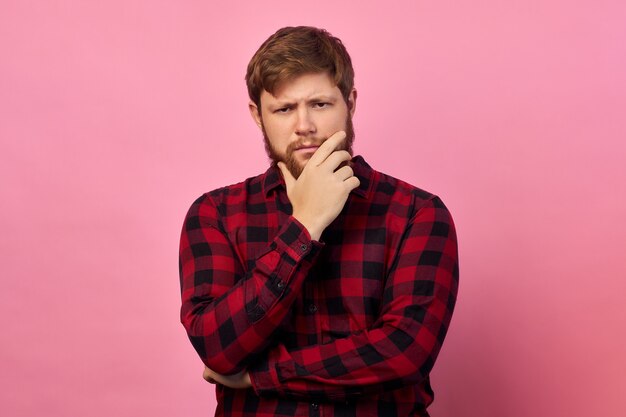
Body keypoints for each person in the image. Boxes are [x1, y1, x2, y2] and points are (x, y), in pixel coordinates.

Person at [179, 26, 459, 417]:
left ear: (351, 103)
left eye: (321, 105)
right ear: (257, 116)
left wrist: (262, 377)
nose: (304, 126)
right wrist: (305, 225)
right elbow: (216, 346)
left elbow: (403, 352)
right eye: (284, 109)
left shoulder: (417, 213)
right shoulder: (215, 215)